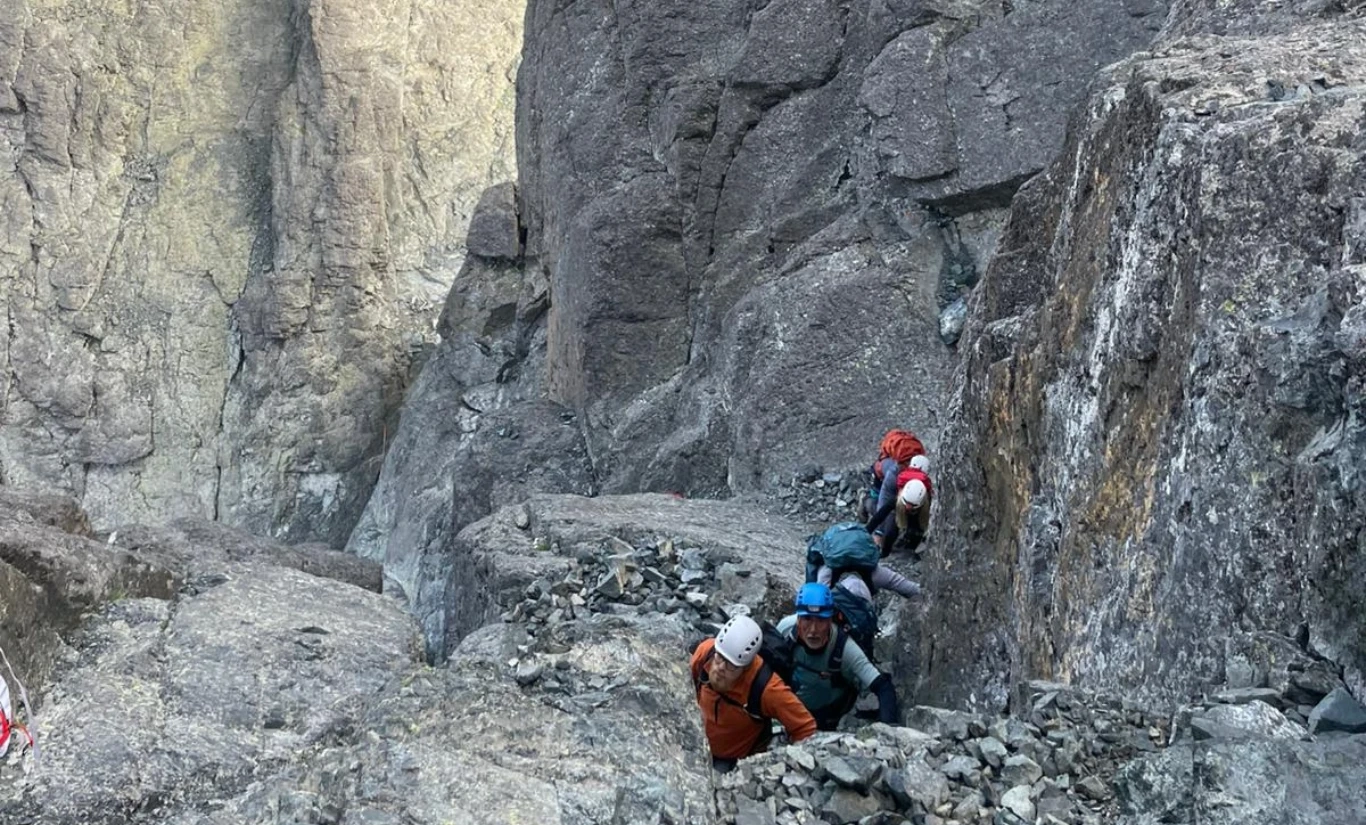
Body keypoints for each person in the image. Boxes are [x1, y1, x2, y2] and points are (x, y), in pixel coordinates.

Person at [690, 614, 816, 772]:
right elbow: (686, 688)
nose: (720, 668)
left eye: (731, 665)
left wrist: (790, 768)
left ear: (745, 667)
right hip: (694, 743)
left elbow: (805, 727)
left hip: (735, 763)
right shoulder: (706, 653)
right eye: (720, 657)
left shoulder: (767, 688)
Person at [776, 584, 900, 730]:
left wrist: (889, 731)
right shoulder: (786, 630)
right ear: (798, 619)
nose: (813, 630)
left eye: (820, 620)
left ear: (830, 621)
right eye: (807, 619)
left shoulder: (844, 648)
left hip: (827, 717)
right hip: (787, 710)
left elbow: (882, 686)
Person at [864, 430, 925, 548]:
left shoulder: (920, 473)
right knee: (889, 517)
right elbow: (884, 504)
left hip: (898, 485)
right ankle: (866, 501)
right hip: (880, 481)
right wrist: (878, 532)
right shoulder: (893, 473)